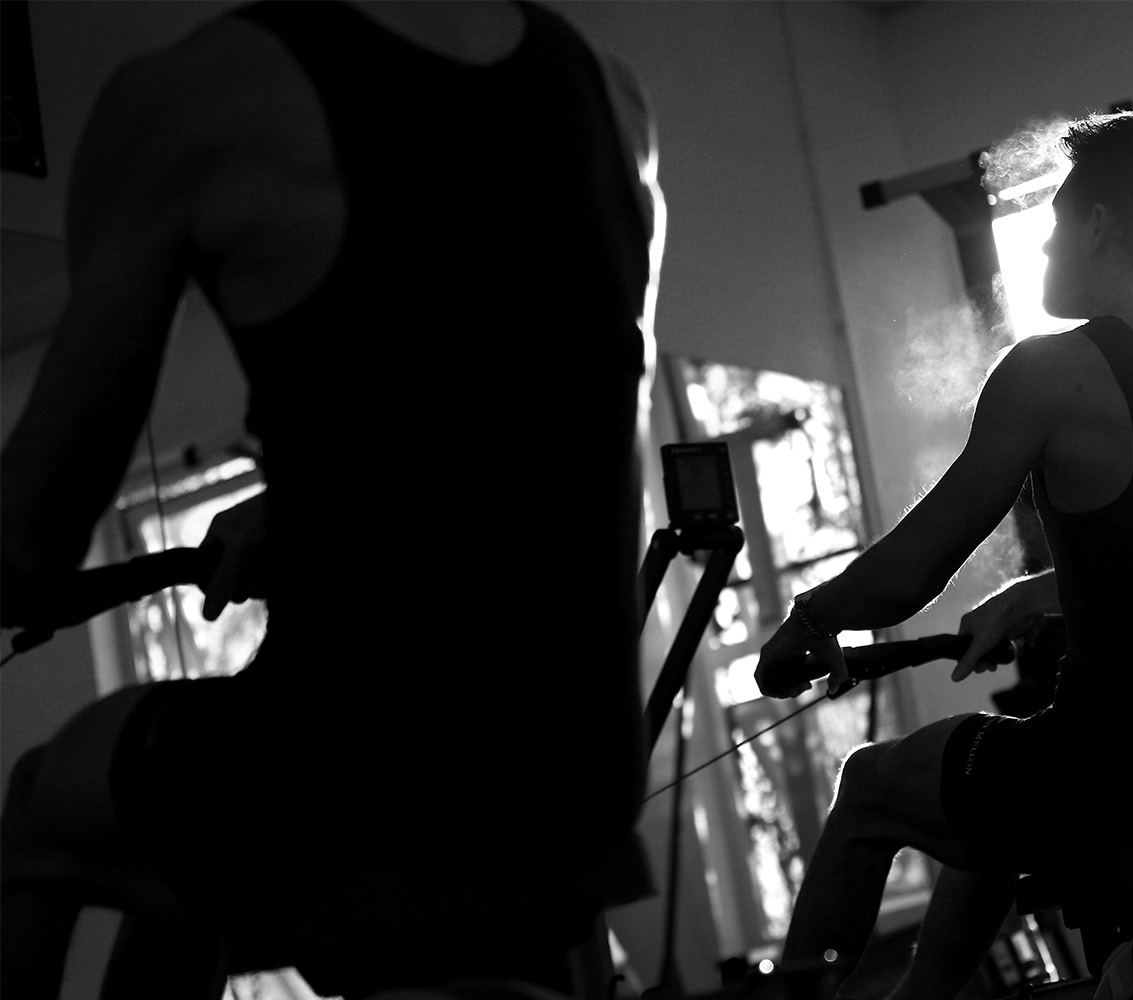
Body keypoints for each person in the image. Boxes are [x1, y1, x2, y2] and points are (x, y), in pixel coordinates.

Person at [0, 2, 664, 997]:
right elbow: (544, 424)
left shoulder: (193, 97)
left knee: (36, 809)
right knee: (179, 857)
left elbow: (27, 547)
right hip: (582, 780)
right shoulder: (612, 92)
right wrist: (308, 506)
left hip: (364, 784)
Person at [755, 108, 1133, 1000]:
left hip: (1102, 779)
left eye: (1052, 229)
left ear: (1097, 224)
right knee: (996, 783)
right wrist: (1036, 592)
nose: (1044, 255)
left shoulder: (1052, 370)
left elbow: (907, 573)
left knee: (871, 784)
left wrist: (808, 623)